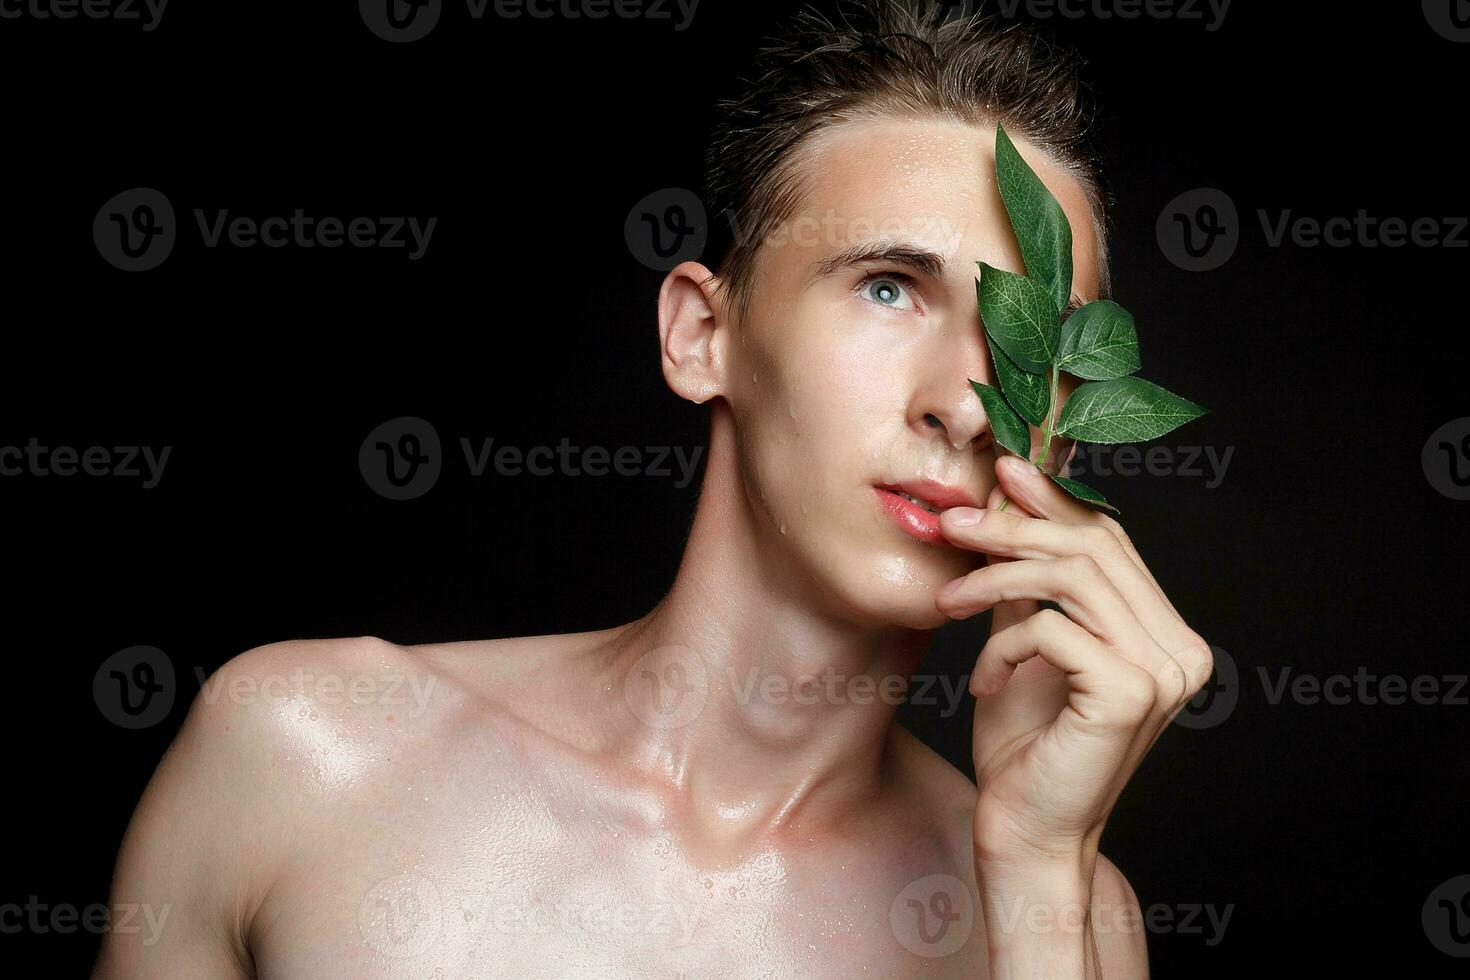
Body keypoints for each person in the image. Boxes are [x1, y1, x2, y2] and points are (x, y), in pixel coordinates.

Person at [93, 1, 1211, 976]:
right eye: (886, 287)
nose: (964, 403)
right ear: (700, 334)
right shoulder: (304, 755)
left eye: (1036, 349)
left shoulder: (1068, 915)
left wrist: (1031, 881)